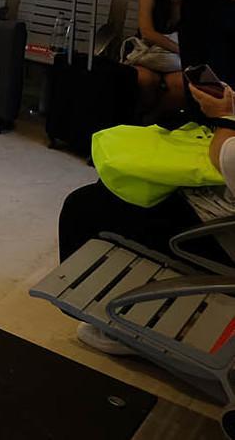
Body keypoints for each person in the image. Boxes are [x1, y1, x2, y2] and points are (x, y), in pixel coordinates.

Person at [57, 80, 235, 356]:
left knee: (84, 207)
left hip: (218, 235)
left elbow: (226, 158)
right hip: (218, 210)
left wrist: (224, 116)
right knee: (118, 190)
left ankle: (125, 327)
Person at [121, 0, 191, 120]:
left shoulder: (197, 4)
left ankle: (154, 119)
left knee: (180, 85)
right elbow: (147, 32)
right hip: (147, 55)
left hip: (177, 62)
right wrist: (180, 50)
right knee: (144, 80)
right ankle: (137, 118)